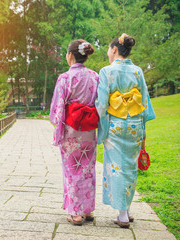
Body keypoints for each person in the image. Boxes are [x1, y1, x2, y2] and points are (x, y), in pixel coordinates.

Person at [95, 33, 156, 228]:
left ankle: (122, 215)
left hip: (116, 124)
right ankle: (127, 210)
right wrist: (143, 129)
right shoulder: (138, 71)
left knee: (116, 167)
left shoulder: (106, 71)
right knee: (130, 166)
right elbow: (144, 100)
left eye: (108, 48)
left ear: (114, 49)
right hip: (135, 125)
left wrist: (101, 128)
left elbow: (103, 104)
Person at [50, 39, 99, 226]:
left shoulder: (65, 78)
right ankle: (88, 210)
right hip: (88, 130)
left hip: (71, 130)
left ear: (70, 55)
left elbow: (57, 108)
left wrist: (58, 125)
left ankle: (75, 213)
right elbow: (99, 103)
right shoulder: (95, 76)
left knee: (72, 169)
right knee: (87, 169)